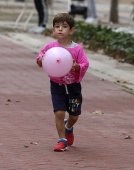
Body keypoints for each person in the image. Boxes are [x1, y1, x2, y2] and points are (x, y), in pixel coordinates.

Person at [36, 13, 89, 152]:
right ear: (53, 30)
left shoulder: (77, 49)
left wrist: (77, 67)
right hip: (56, 85)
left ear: (71, 30)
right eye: (57, 27)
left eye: (64, 27)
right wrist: (41, 60)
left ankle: (69, 127)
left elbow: (85, 63)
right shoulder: (50, 47)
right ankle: (62, 139)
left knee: (74, 115)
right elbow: (40, 59)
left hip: (73, 87)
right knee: (59, 112)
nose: (60, 29)